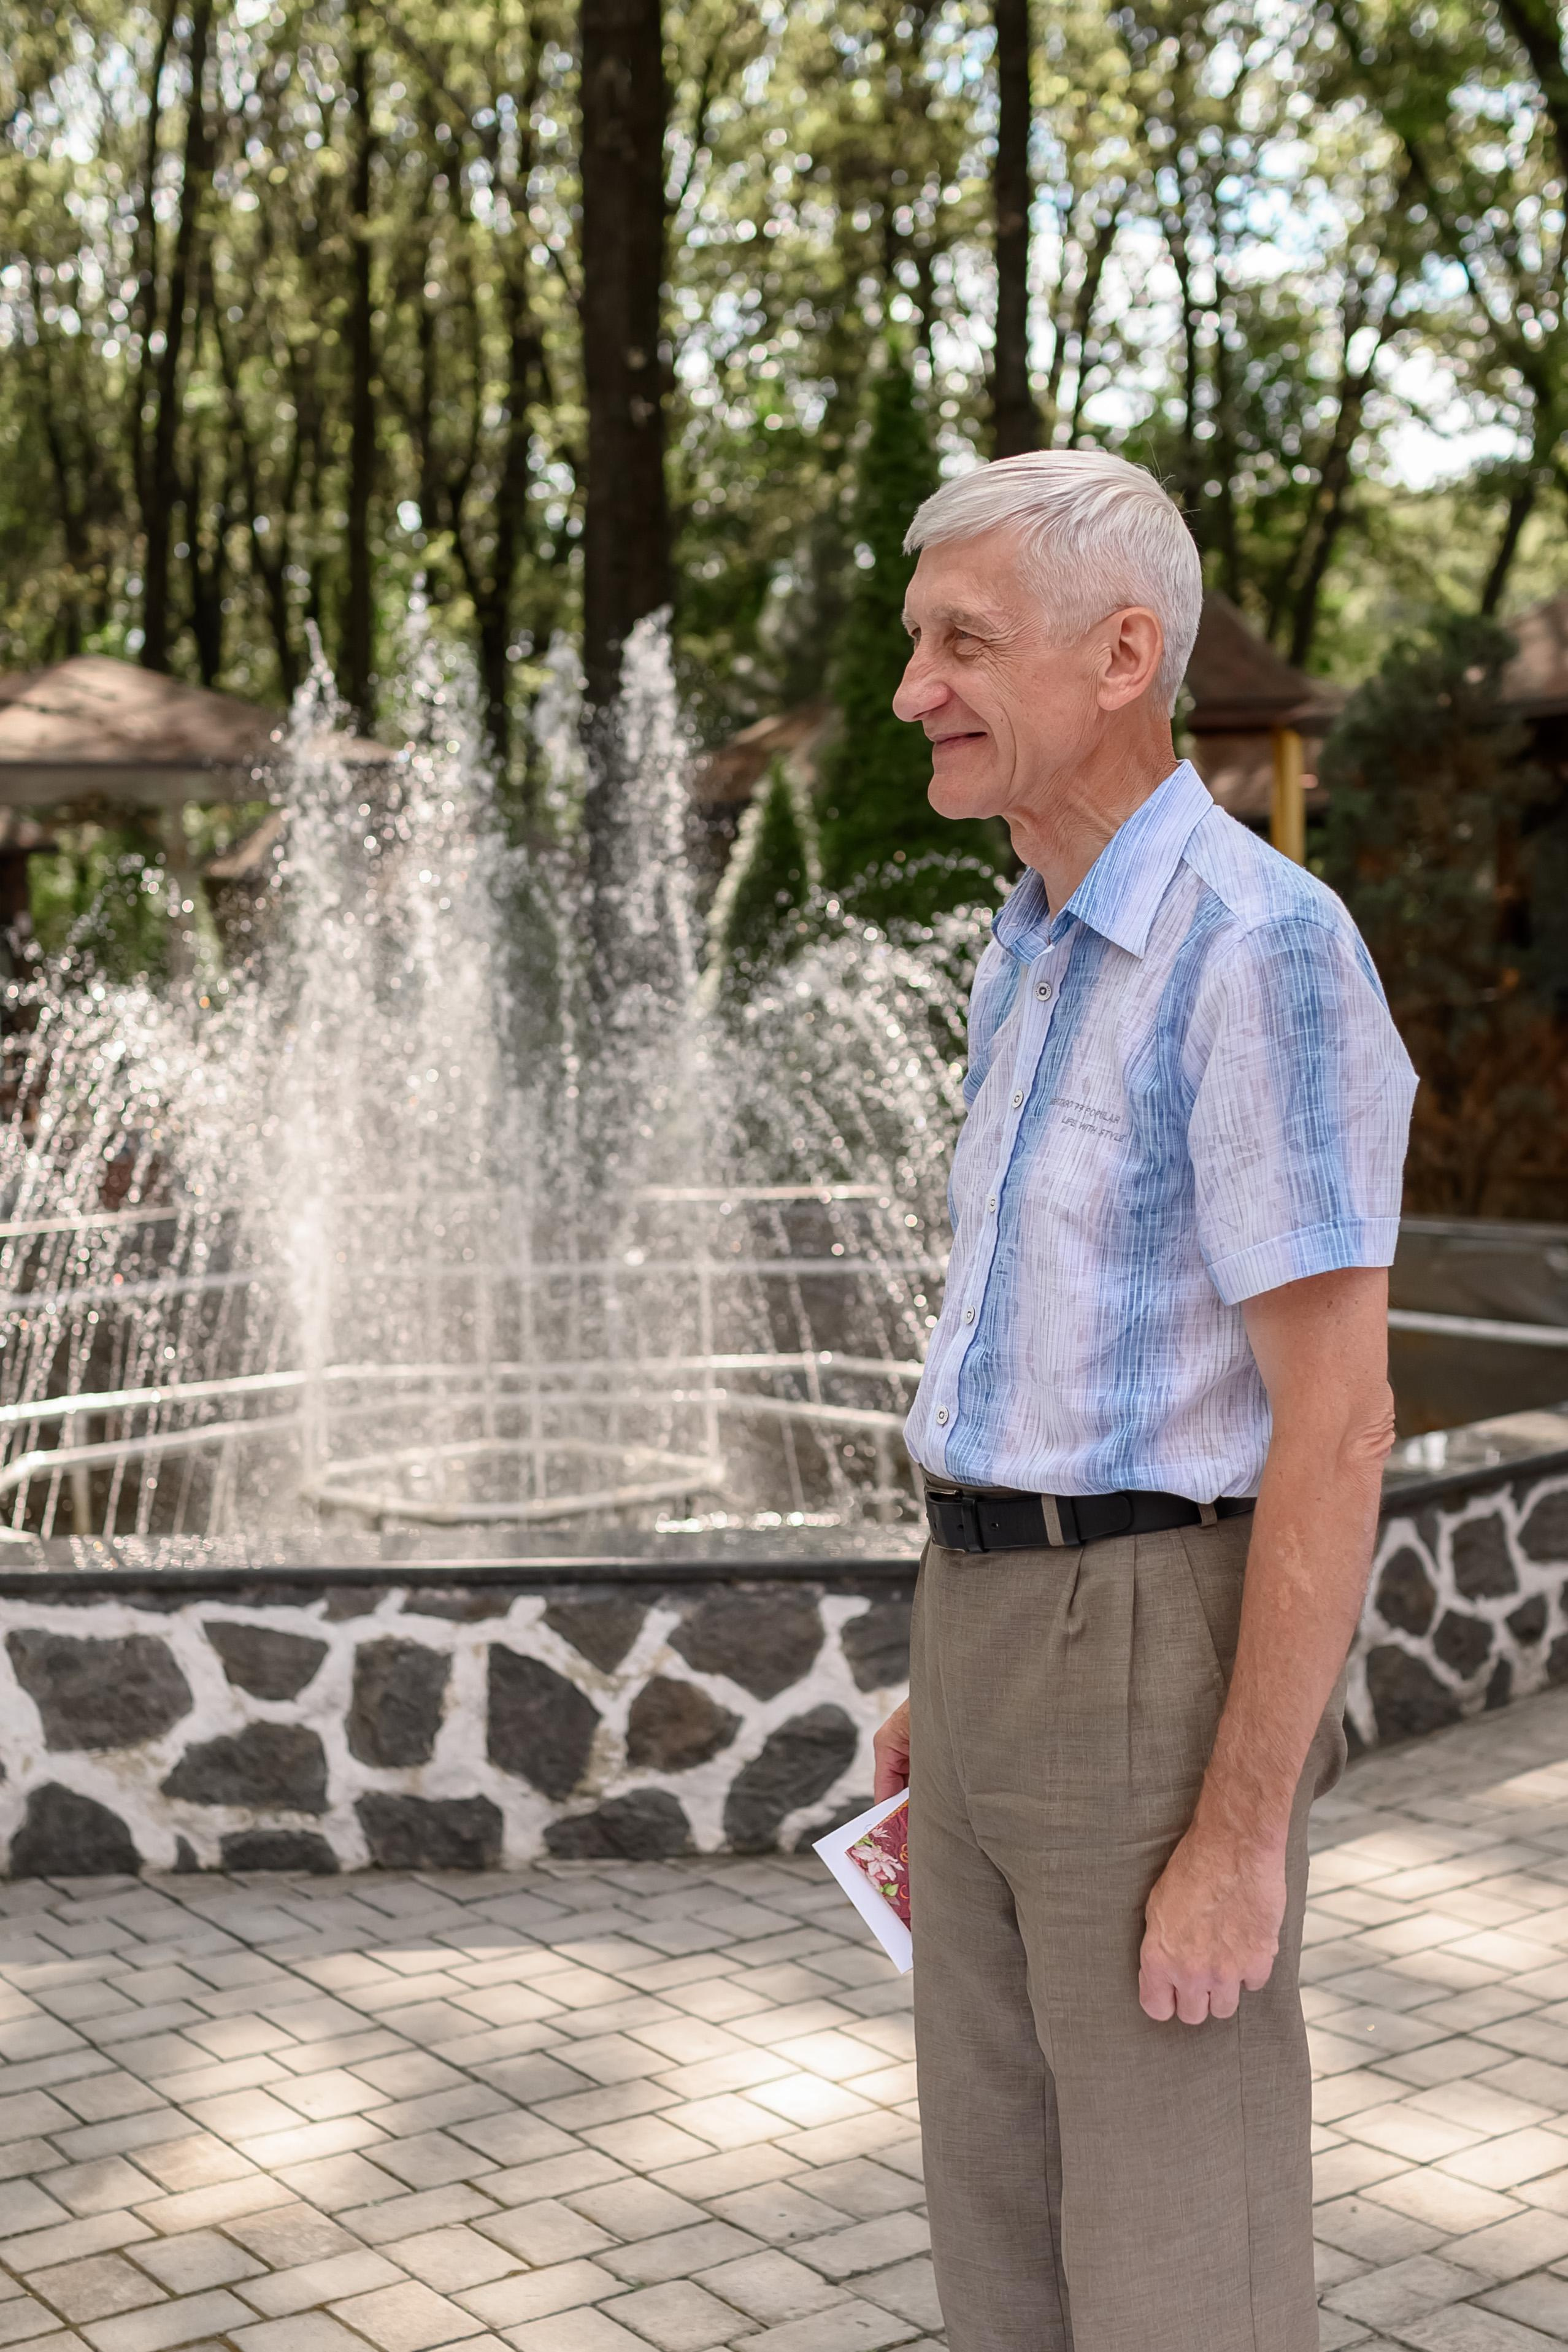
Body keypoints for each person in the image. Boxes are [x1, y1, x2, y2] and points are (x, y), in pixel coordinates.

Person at [870, 450, 1416, 2352]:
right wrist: (954, 1654)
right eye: (913, 639)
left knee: (1177, 2273)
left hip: (1148, 1662)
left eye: (958, 642)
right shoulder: (1019, 953)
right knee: (1000, 2255)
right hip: (989, 1630)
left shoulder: (1259, 948)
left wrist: (1240, 1833)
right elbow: (1041, 1356)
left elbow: (1336, 1426)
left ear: (1120, 655)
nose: (911, 687)